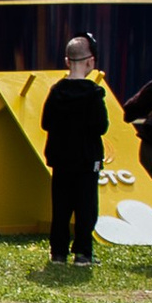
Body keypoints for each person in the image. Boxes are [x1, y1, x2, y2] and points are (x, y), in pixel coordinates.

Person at [40, 35, 110, 263]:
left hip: (61, 157)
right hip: (87, 158)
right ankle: (83, 251)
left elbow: (46, 123)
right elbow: (101, 126)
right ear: (90, 62)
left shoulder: (56, 91)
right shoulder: (94, 93)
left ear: (67, 61)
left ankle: (58, 251)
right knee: (86, 206)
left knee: (61, 205)